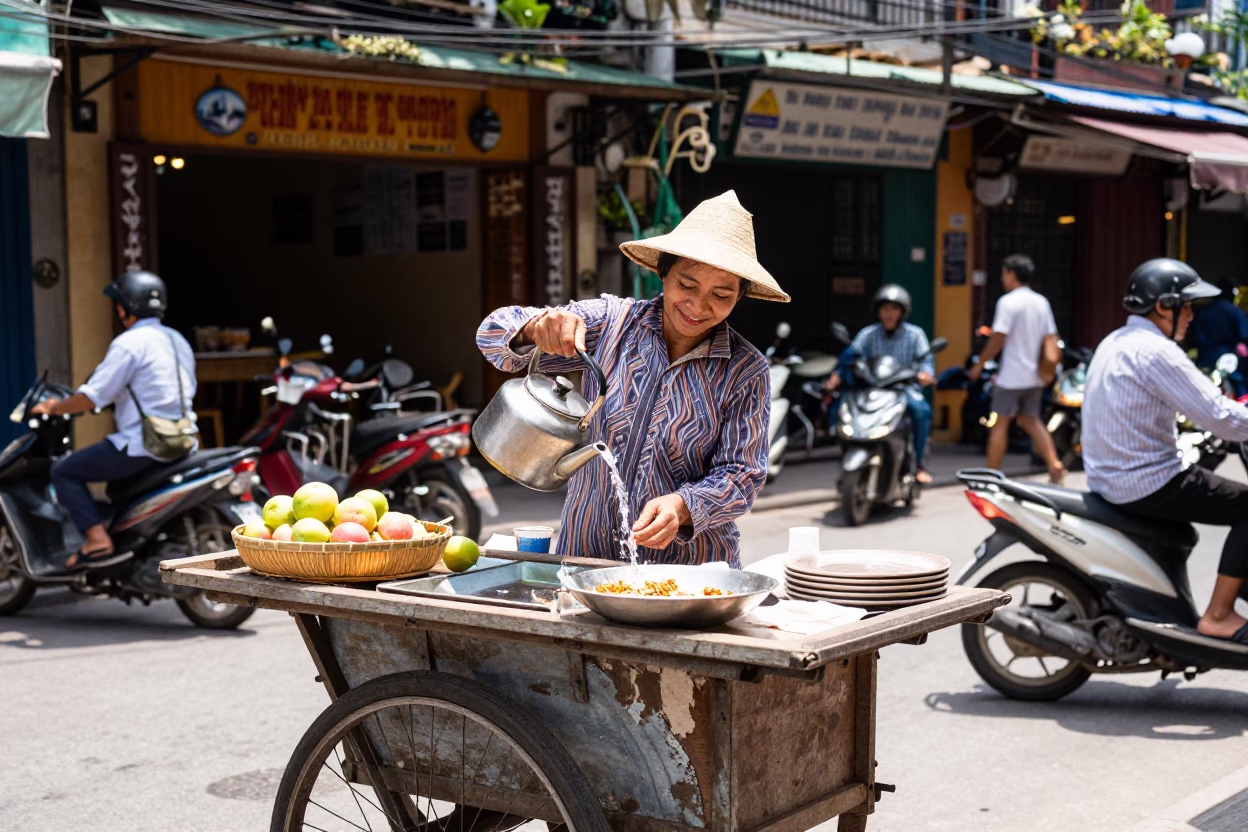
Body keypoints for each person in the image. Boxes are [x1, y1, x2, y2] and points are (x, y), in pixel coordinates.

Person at [476, 191, 787, 567]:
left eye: (720, 295)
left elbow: (743, 476)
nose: (698, 306)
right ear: (664, 273)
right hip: (585, 556)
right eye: (687, 285)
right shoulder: (610, 323)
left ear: (738, 299)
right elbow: (492, 334)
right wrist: (536, 326)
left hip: (688, 572)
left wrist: (684, 506)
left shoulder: (745, 369)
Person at [1083, 258, 1248, 643]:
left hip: (1114, 478)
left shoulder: (1116, 341)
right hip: (1147, 481)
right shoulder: (1157, 351)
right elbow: (1220, 415)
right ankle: (1219, 615)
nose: (1191, 316)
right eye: (1187, 306)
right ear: (1163, 306)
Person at [31, 271, 197, 569]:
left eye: (119, 303)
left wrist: (54, 408)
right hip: (183, 438)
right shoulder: (177, 340)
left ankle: (96, 540)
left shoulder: (129, 343)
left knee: (65, 470)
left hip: (144, 443)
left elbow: (92, 397)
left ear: (127, 306)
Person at [824, 284, 935, 483]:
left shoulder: (915, 335)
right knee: (841, 409)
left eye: (893, 309)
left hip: (902, 390)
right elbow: (850, 357)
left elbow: (926, 360)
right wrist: (837, 376)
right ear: (878, 311)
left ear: (902, 312)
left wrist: (926, 373)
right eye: (885, 309)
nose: (889, 314)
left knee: (921, 411)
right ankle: (846, 459)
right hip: (871, 389)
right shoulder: (868, 334)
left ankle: (918, 464)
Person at [968, 254, 1064, 483]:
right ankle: (1054, 463)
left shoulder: (1008, 302)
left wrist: (979, 363)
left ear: (1011, 274)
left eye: (1003, 273)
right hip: (1034, 377)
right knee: (1031, 420)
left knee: (999, 423)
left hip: (1011, 376)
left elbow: (998, 337)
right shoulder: (1041, 302)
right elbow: (1051, 337)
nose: (1002, 279)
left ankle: (991, 475)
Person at [1188, 279, 1248, 396]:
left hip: (1204, 363)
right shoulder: (1235, 312)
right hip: (1231, 366)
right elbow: (1244, 337)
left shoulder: (1203, 312)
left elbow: (1193, 339)